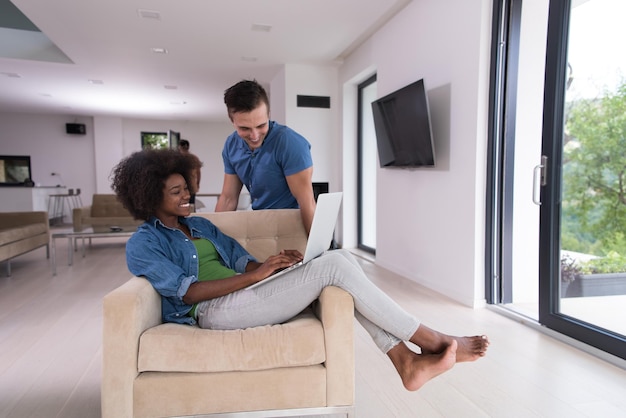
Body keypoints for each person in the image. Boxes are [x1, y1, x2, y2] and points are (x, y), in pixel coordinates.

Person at [112, 148, 489, 391]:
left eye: (185, 187)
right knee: (338, 264)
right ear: (149, 196)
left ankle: (407, 361)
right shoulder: (144, 244)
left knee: (335, 263)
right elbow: (188, 293)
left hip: (247, 295)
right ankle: (430, 340)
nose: (187, 196)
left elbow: (246, 263)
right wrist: (256, 277)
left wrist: (277, 266)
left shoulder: (201, 226)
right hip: (212, 313)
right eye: (175, 191)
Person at [215, 79, 317, 234]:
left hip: (294, 226)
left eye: (261, 125)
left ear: (268, 114)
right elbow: (228, 199)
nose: (254, 135)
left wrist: (317, 250)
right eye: (245, 128)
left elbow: (307, 201)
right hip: (260, 224)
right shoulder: (231, 145)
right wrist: (212, 239)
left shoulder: (290, 143)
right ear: (232, 121)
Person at [177, 139, 203, 207]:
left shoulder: (193, 159)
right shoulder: (177, 159)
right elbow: (198, 173)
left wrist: (197, 184)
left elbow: (198, 173)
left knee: (190, 206)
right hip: (182, 186)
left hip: (190, 186)